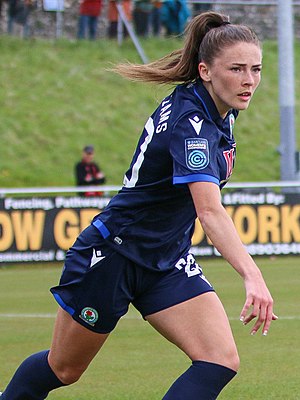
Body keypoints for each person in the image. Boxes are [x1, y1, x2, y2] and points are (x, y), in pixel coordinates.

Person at [0, 11, 277, 400]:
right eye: (237, 69)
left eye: (256, 69)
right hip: (113, 256)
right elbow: (209, 211)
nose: (249, 80)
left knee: (219, 359)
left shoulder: (220, 111)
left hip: (165, 258)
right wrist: (253, 275)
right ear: (206, 71)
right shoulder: (191, 123)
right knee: (62, 369)